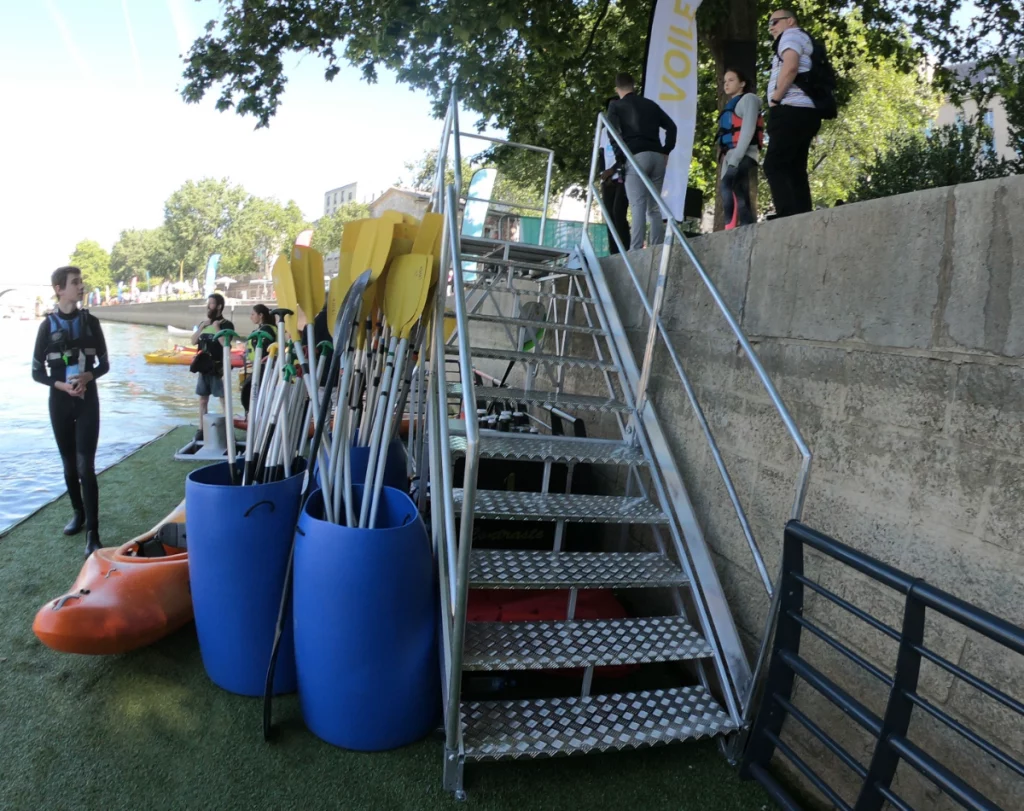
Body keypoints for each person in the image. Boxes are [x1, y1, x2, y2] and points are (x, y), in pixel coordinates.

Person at [32, 266, 109, 558]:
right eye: (75, 283)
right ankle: (78, 513)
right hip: (60, 400)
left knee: (84, 465)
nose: (81, 286)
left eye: (81, 281)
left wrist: (88, 378)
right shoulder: (46, 327)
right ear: (59, 289)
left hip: (88, 400)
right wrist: (63, 386)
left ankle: (93, 532)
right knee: (68, 463)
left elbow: (104, 365)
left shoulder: (92, 323)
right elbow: (37, 372)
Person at [606, 72, 677, 252]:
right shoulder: (650, 105)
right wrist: (666, 150)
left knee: (638, 205)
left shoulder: (616, 106)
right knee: (654, 208)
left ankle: (636, 250)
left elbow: (612, 133)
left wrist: (620, 158)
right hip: (656, 156)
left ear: (617, 89)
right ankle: (658, 248)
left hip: (635, 157)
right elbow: (672, 127)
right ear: (634, 85)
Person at [764, 9, 823, 218]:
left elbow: (790, 67)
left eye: (774, 22)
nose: (771, 27)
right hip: (809, 111)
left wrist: (776, 99)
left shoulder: (790, 36)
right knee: (796, 167)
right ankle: (802, 216)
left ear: (790, 21)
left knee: (774, 164)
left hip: (790, 109)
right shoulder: (805, 39)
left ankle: (786, 215)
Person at [718, 68, 764, 229]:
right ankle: (742, 226)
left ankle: (736, 227)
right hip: (730, 156)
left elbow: (748, 129)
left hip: (744, 154)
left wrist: (736, 158)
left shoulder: (749, 99)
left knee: (730, 185)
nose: (726, 84)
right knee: (735, 190)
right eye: (725, 81)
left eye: (731, 80)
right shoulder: (729, 105)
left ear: (742, 83)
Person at [190, 293, 234, 441]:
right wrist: (201, 327)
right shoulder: (204, 323)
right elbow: (193, 341)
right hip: (203, 368)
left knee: (223, 399)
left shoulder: (226, 325)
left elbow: (225, 344)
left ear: (220, 306)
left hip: (218, 368)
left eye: (212, 303)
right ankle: (201, 429)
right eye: (209, 303)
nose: (209, 306)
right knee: (203, 399)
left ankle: (228, 430)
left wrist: (217, 328)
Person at [598, 98, 630, 253]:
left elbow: (627, 154)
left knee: (619, 212)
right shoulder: (604, 131)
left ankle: (625, 248)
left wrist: (614, 170)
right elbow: (601, 154)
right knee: (610, 216)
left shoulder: (629, 128)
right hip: (608, 179)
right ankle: (613, 252)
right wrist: (603, 174)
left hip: (623, 175)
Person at [240, 304, 276, 414]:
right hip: (261, 367)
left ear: (261, 315)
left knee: (258, 392)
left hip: (265, 367)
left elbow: (266, 349)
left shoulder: (266, 330)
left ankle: (258, 415)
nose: (251, 317)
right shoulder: (267, 328)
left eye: (253, 314)